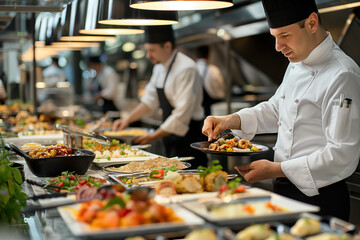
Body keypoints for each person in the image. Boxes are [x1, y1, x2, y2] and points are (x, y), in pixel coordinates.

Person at [202, 0, 360, 220]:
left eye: (285, 36)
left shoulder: (343, 74)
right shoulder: (296, 61)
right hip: (284, 190)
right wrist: (232, 120)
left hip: (320, 197)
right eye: (275, 36)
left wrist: (276, 169)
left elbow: (341, 153)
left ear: (312, 23)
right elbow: (277, 109)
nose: (277, 47)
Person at [113, 26, 207, 167]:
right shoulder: (159, 67)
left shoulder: (186, 68)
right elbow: (149, 101)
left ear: (167, 46)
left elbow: (182, 114)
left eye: (151, 50)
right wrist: (127, 120)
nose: (148, 55)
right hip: (169, 135)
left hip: (189, 137)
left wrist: (153, 136)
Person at [195, 45, 225, 116]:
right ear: (208, 55)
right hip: (214, 108)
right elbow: (221, 90)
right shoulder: (214, 70)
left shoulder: (192, 69)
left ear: (196, 56)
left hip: (197, 109)